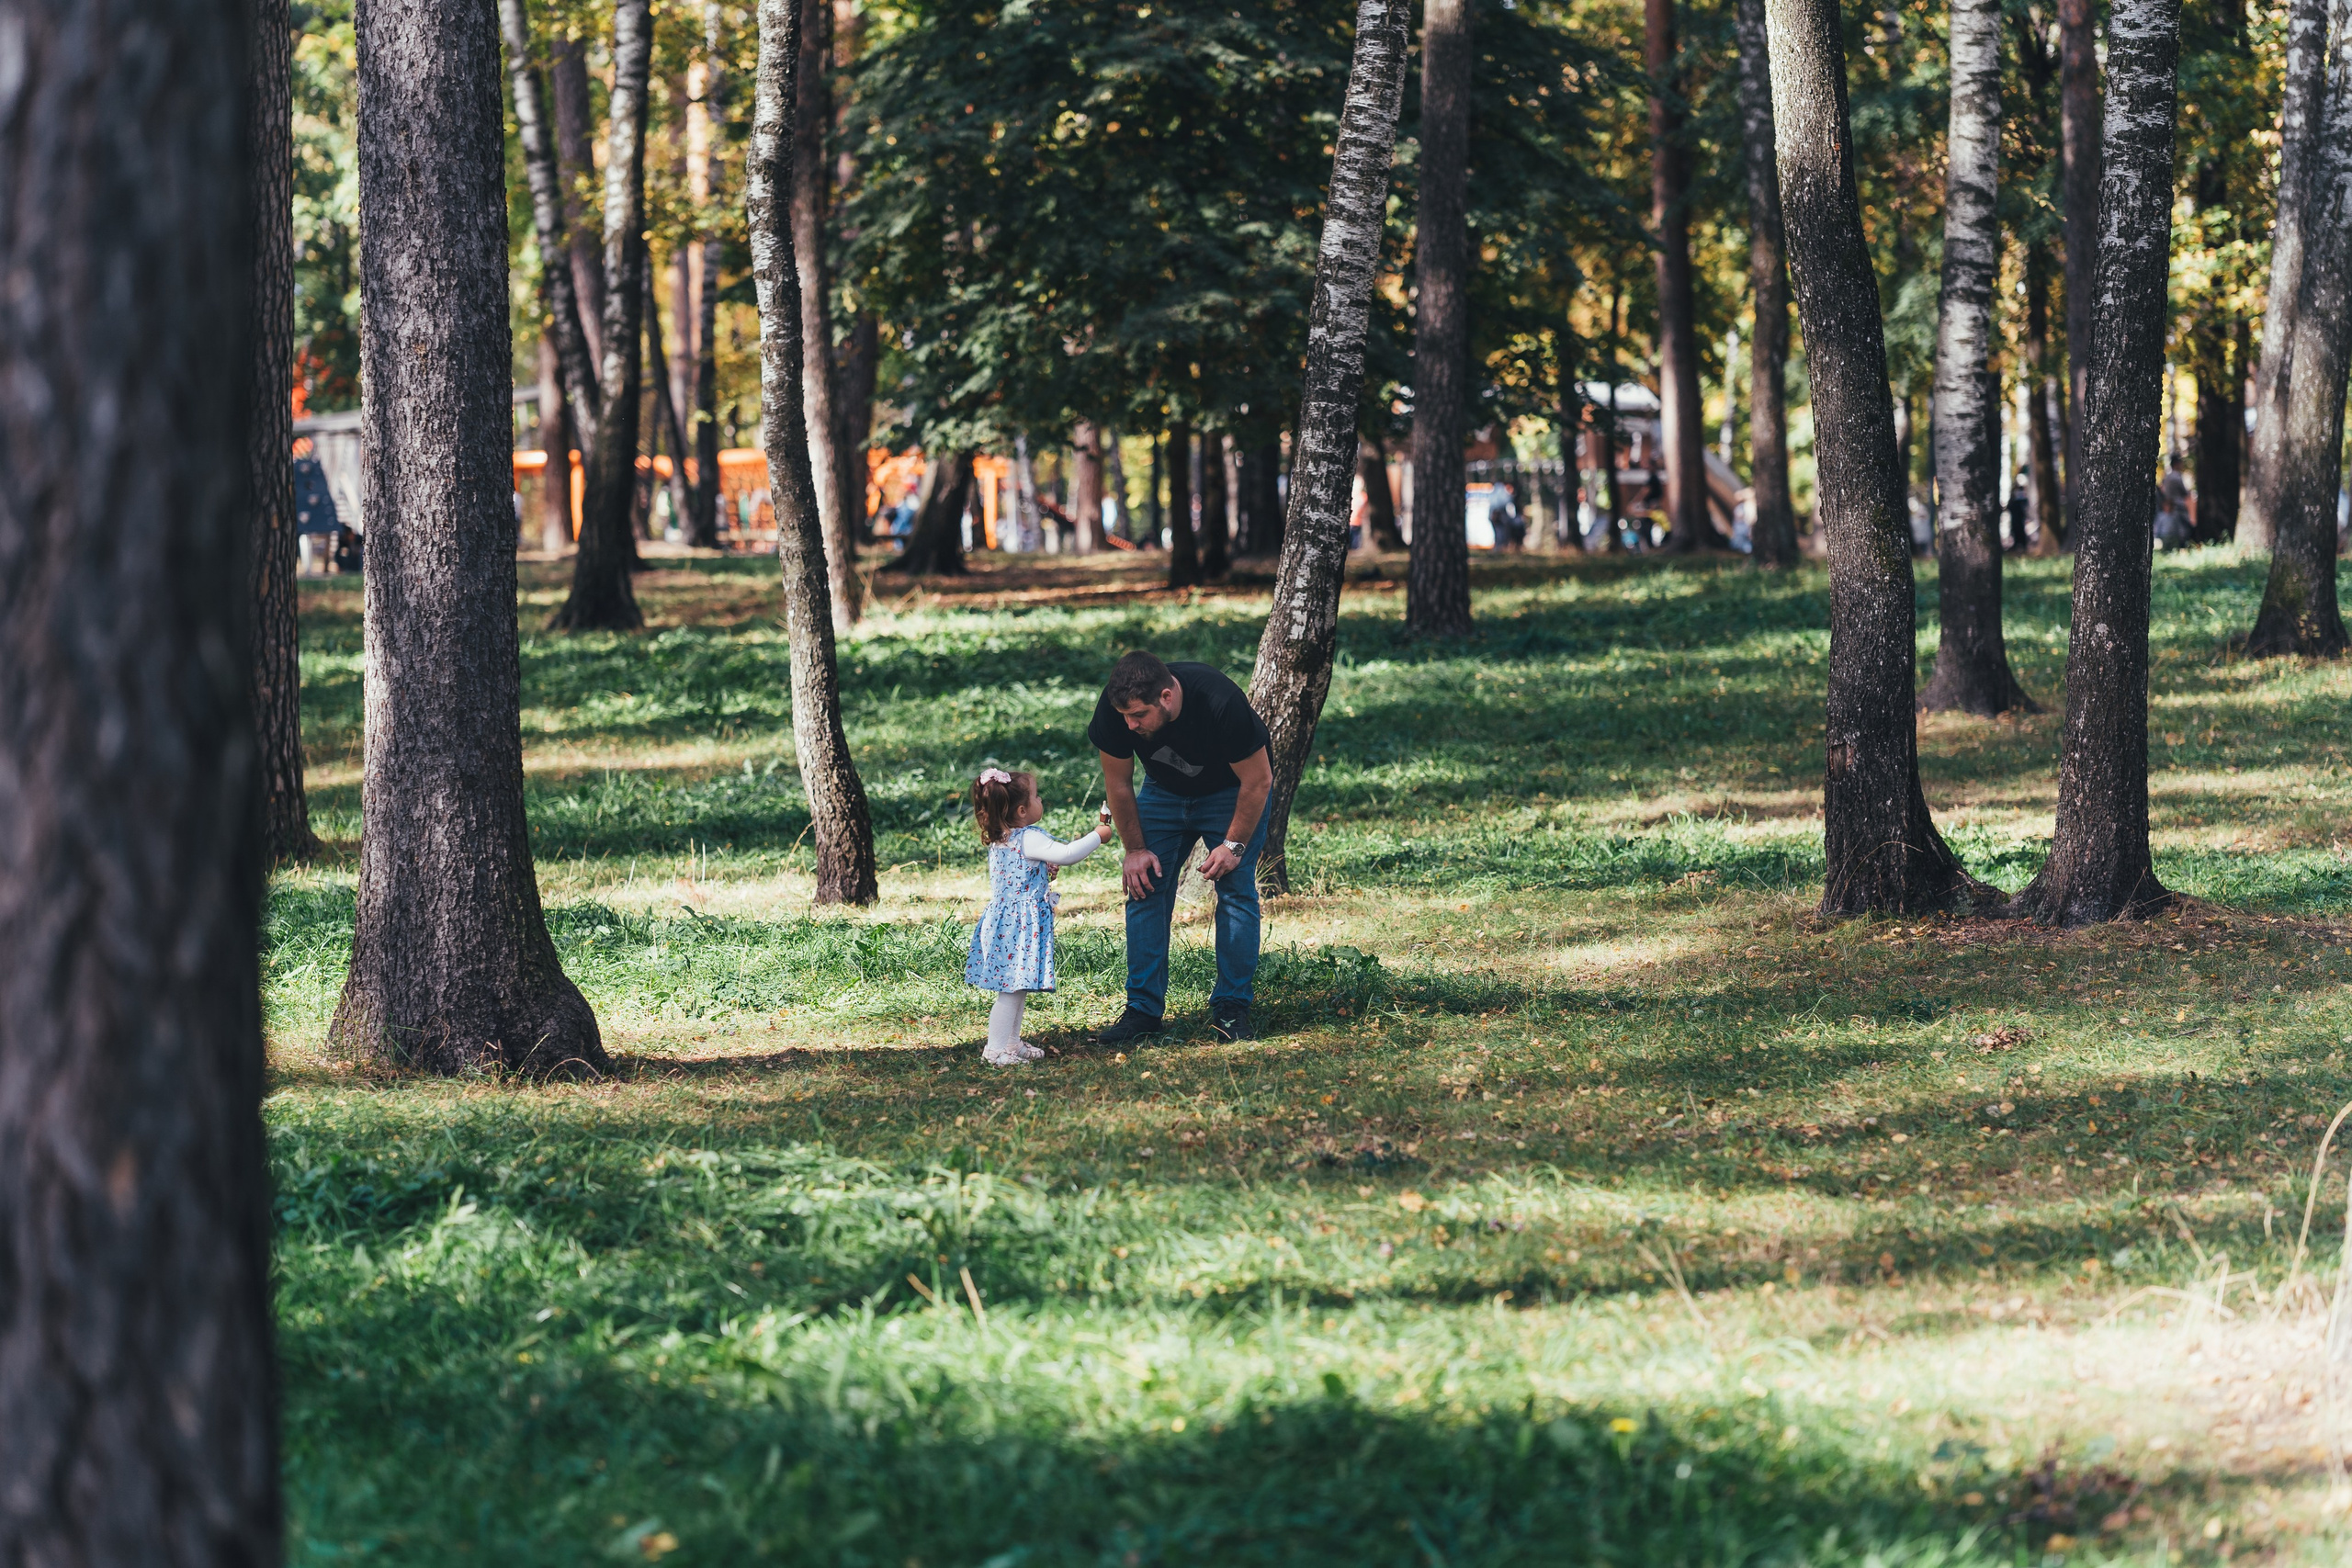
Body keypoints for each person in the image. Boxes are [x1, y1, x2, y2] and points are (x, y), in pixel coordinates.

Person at [1089, 650, 1272, 1043]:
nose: (1130, 724)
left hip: (1231, 793)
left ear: (1167, 697)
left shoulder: (1219, 700)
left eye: (1139, 715)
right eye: (1124, 715)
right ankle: (1142, 1011)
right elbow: (1118, 785)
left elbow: (1257, 782)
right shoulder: (1117, 709)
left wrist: (1233, 845)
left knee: (1236, 892)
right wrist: (1135, 850)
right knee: (1144, 888)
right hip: (1164, 792)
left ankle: (1231, 1008)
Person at [964, 767, 1112, 1066]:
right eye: (1035, 796)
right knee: (1010, 990)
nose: (1040, 799)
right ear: (1021, 810)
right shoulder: (1028, 838)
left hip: (1006, 922)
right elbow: (1068, 854)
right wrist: (1098, 835)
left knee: (1017, 987)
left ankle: (1011, 1043)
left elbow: (1018, 875)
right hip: (1017, 926)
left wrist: (1041, 872)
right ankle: (994, 1051)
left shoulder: (1002, 837)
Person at [1487, 480, 1525, 551]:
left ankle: (1500, 548)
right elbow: (1505, 503)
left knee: (1499, 534)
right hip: (1498, 516)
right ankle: (1499, 548)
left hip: (1496, 516)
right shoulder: (1502, 493)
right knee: (1500, 534)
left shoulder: (1495, 492)